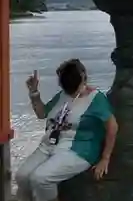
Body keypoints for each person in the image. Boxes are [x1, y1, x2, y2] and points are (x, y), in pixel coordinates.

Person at [16, 59, 119, 201]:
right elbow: (42, 113)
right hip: (50, 144)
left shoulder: (96, 98)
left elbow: (112, 126)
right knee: (22, 176)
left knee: (41, 178)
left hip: (79, 148)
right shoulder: (63, 95)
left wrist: (105, 158)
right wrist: (34, 93)